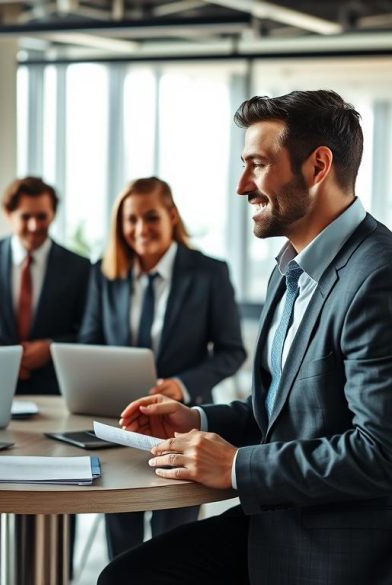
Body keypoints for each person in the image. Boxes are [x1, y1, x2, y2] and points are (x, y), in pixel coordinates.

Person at [100, 90, 392, 585]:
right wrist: (196, 418)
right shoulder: (292, 269)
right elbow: (287, 414)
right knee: (129, 574)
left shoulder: (388, 282)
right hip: (288, 518)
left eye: (257, 165)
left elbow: (391, 455)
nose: (243, 185)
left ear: (317, 166)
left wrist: (237, 466)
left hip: (342, 549)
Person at [79, 176, 246, 558]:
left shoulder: (208, 273)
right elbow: (89, 343)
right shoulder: (105, 275)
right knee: (121, 539)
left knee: (173, 541)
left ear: (172, 215)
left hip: (180, 425)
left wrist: (182, 386)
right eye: (131, 220)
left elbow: (231, 351)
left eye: (151, 217)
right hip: (120, 423)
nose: (141, 229)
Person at [0, 177, 90, 578]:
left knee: (62, 478)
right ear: (9, 215)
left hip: (53, 392)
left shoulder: (78, 267)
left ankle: (61, 571)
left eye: (44, 216)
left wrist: (50, 346)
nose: (36, 226)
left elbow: (87, 331)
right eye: (27, 217)